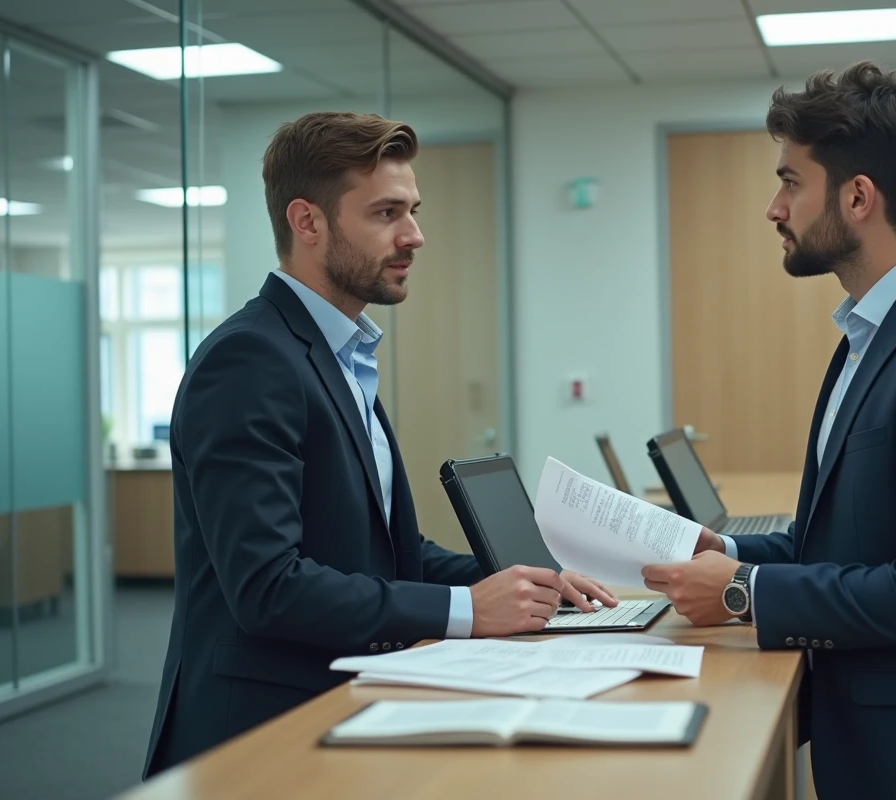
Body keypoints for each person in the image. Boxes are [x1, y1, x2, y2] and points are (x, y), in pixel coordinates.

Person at [143, 111, 616, 777]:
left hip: (343, 708)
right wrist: (468, 610)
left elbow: (381, 551)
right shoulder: (250, 359)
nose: (415, 235)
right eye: (387, 213)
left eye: (413, 211)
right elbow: (267, 586)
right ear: (307, 222)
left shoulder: (342, 355)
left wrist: (518, 581)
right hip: (258, 738)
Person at [642, 62, 896, 800]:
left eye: (791, 182)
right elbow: (843, 541)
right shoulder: (870, 338)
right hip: (876, 740)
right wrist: (726, 551)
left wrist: (743, 593)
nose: (774, 207)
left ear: (858, 197)